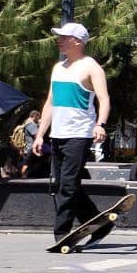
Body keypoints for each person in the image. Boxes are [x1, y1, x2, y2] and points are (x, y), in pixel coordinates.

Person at [32, 22, 113, 241]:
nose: (59, 41)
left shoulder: (91, 67)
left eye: (64, 37)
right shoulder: (58, 68)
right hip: (58, 133)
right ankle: (98, 223)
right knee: (61, 184)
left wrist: (100, 125)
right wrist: (40, 134)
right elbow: (50, 102)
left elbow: (104, 99)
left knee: (67, 185)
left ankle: (61, 234)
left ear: (78, 41)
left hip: (79, 133)